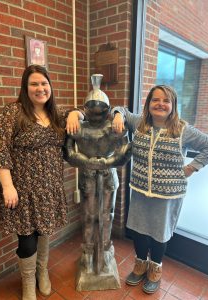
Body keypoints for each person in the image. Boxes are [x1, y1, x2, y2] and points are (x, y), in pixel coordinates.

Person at [0, 65, 83, 300]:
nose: (40, 88)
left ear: (50, 86)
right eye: (34, 84)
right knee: (27, 239)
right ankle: (28, 280)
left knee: (44, 232)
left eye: (44, 83)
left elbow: (83, 112)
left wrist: (75, 113)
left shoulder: (57, 114)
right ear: (25, 87)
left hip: (49, 188)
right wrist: (8, 186)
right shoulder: (12, 113)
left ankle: (43, 272)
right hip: (22, 190)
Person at [111, 84, 208, 294]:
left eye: (166, 101)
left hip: (168, 195)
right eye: (155, 100)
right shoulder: (139, 123)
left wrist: (192, 167)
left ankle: (155, 269)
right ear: (148, 104)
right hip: (140, 190)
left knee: (158, 233)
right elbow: (120, 109)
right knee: (138, 230)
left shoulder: (183, 130)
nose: (160, 104)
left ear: (173, 105)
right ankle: (140, 265)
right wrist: (118, 116)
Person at [65, 74, 131, 282]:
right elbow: (67, 151)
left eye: (100, 109)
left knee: (107, 214)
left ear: (107, 109)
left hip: (108, 175)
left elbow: (125, 150)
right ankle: (87, 250)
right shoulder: (79, 127)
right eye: (90, 109)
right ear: (85, 109)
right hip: (87, 175)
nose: (95, 113)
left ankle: (105, 247)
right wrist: (85, 161)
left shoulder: (114, 126)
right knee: (88, 214)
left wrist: (107, 163)